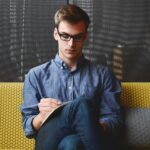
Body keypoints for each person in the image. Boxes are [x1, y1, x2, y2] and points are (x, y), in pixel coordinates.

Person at [21, 4, 123, 150]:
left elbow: (115, 121)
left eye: (78, 37)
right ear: (56, 34)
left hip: (81, 142)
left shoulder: (103, 75)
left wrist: (87, 124)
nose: (71, 43)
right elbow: (28, 128)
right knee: (80, 105)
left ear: (85, 36)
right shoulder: (35, 75)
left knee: (71, 143)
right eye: (65, 36)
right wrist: (41, 116)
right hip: (48, 143)